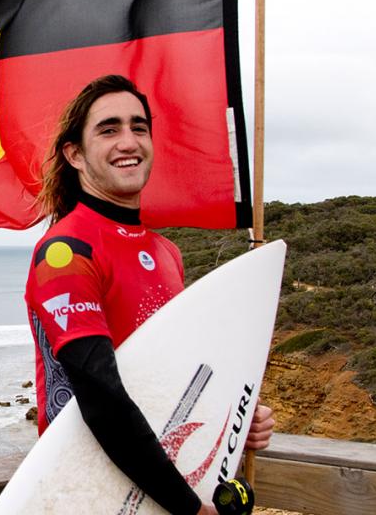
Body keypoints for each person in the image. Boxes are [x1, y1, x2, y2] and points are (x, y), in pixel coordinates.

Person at [25, 75, 275, 515]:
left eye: (139, 127)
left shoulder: (165, 252)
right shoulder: (65, 253)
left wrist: (235, 413)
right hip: (95, 493)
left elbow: (175, 379)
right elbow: (101, 397)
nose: (129, 140)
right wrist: (189, 507)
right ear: (75, 155)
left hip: (161, 485)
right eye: (109, 129)